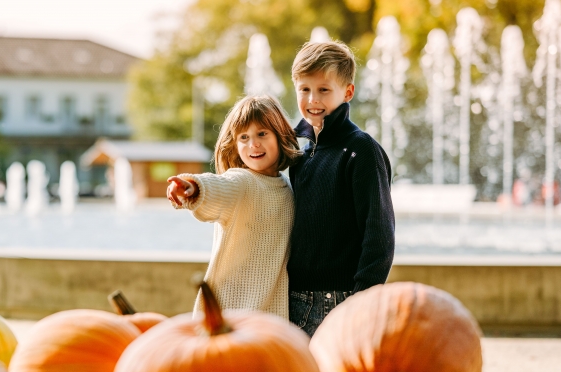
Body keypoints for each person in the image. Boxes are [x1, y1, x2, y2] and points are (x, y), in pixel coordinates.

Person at [287, 40, 395, 337]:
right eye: (305, 89)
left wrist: (361, 301)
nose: (313, 99)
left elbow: (379, 233)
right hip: (293, 296)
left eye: (324, 89)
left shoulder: (361, 150)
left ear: (347, 92)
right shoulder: (300, 153)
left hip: (339, 299)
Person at [166, 95, 300, 319]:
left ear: (280, 136)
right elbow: (220, 188)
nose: (253, 144)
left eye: (262, 134)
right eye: (244, 137)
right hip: (229, 313)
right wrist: (194, 187)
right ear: (235, 145)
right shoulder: (243, 182)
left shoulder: (287, 187)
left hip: (271, 316)